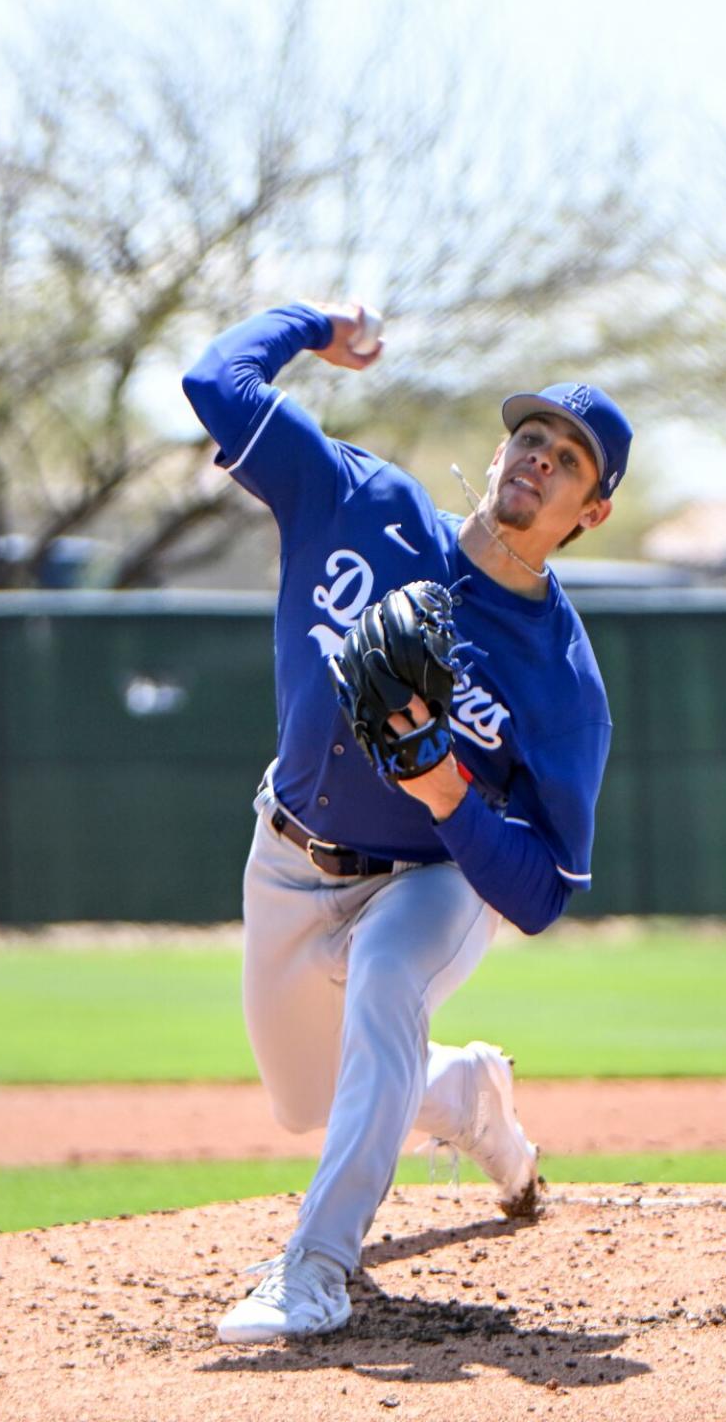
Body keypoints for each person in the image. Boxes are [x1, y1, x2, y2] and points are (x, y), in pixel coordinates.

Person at [181, 301, 632, 1344]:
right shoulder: (359, 499)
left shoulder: (562, 682)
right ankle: (464, 1093)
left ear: (591, 511)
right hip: (288, 849)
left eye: (569, 460)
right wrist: (310, 327)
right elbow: (216, 387)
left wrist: (449, 797)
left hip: (433, 877)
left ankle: (317, 1269)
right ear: (500, 448)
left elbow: (542, 889)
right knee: (308, 1101)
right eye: (531, 437)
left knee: (389, 981)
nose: (540, 460)